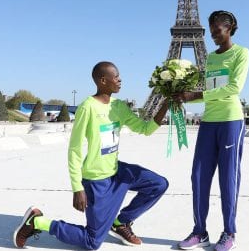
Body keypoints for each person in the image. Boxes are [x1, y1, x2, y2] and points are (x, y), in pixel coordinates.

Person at [13, 61, 170, 250]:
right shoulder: (87, 107)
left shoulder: (118, 106)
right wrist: (77, 187)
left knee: (158, 184)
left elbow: (145, 129)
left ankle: (121, 223)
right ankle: (37, 222)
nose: (120, 80)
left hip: (118, 173)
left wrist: (167, 103)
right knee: (92, 242)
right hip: (97, 181)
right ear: (103, 81)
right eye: (116, 76)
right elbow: (75, 149)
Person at [173, 10, 249, 251]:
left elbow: (233, 88)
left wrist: (196, 94)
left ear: (230, 28)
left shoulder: (241, 53)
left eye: (218, 31)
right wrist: (183, 98)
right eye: (212, 32)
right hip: (208, 121)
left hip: (230, 121)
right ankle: (200, 231)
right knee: (198, 177)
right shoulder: (211, 59)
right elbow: (208, 91)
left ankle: (229, 232)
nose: (215, 36)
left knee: (228, 179)